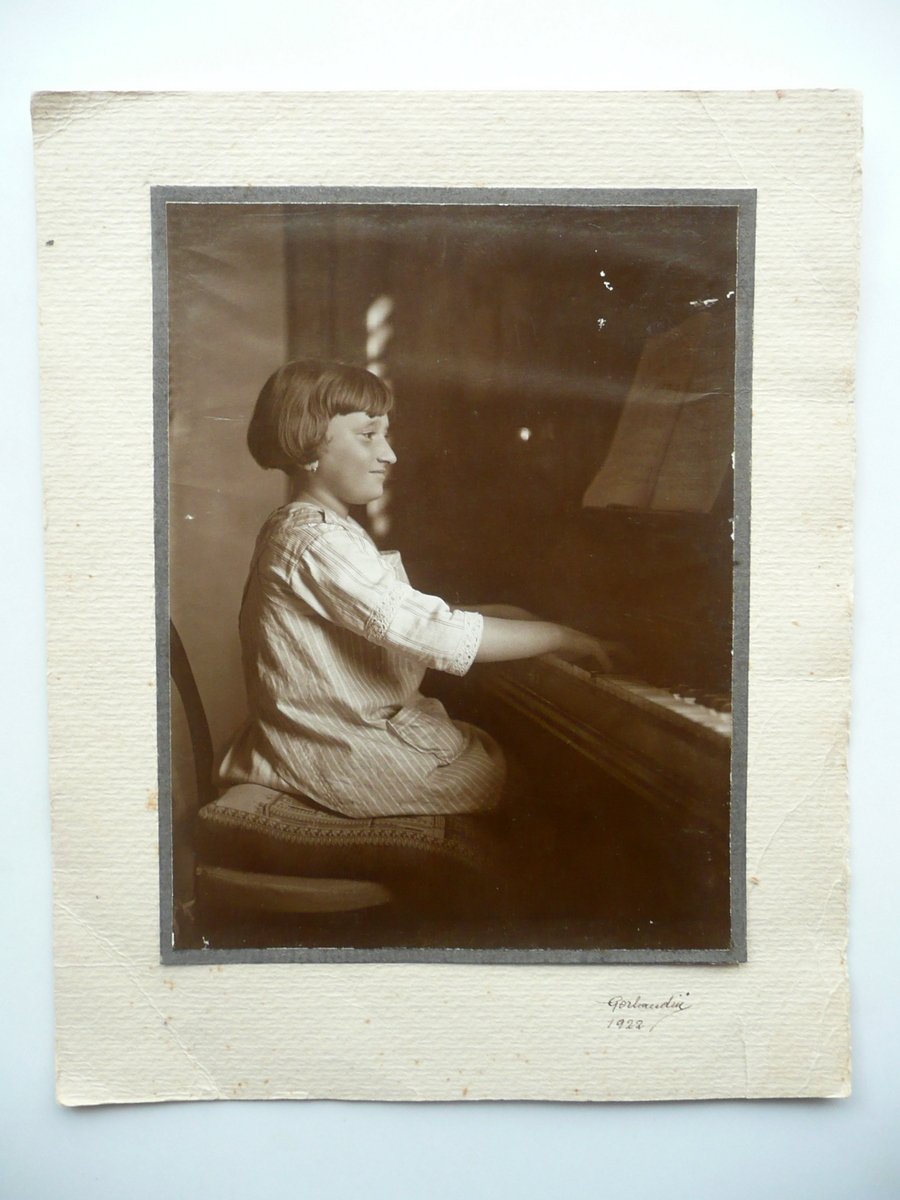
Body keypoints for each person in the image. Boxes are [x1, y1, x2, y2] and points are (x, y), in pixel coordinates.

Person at [217, 359, 614, 825]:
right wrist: (562, 636)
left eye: (386, 434)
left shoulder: (323, 528)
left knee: (502, 757)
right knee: (508, 774)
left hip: (335, 736)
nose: (390, 454)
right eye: (368, 435)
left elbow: (401, 612)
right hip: (335, 752)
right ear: (309, 448)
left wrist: (502, 614)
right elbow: (430, 631)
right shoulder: (315, 540)